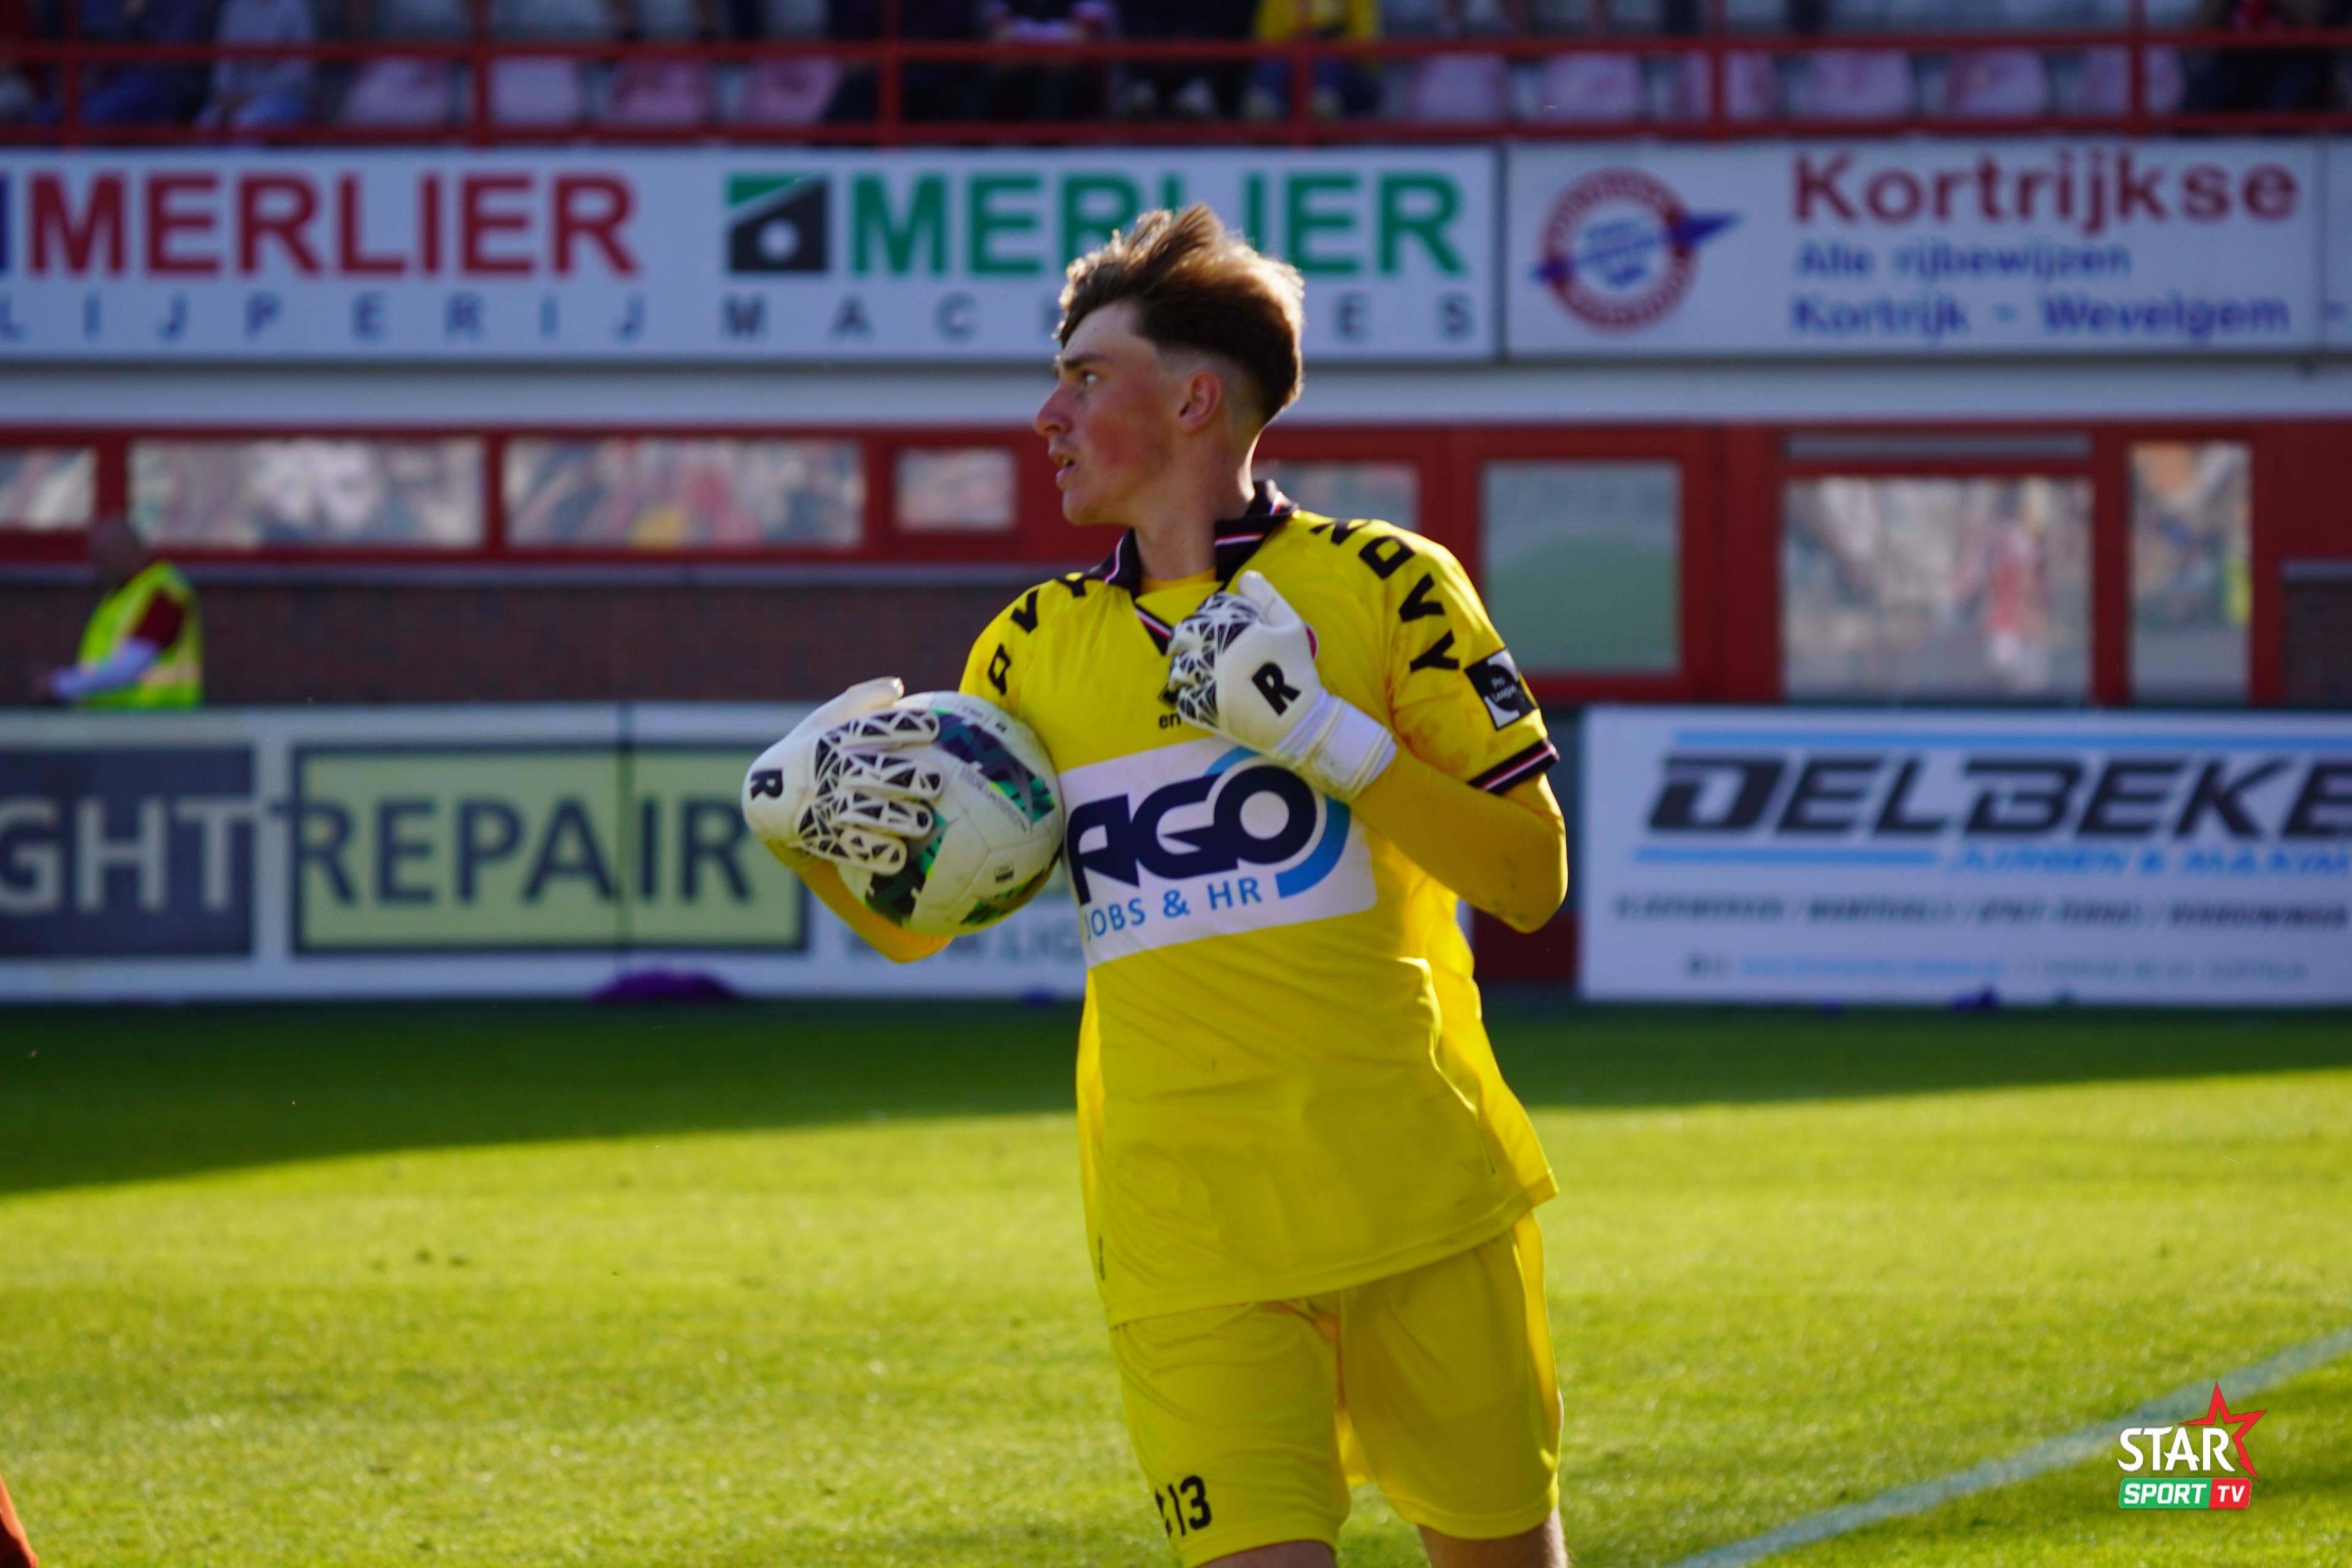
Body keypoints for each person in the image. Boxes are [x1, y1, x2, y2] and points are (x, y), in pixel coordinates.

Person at [745, 206, 1570, 1568]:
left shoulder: (1386, 585)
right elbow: (918, 931)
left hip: (1417, 1201)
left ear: (1195, 397)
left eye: (1084, 376)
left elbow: (1531, 877)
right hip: (1182, 1232)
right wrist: (808, 841)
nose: (1045, 415)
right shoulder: (1028, 645)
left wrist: (1324, 736)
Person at [32, 518, 205, 709]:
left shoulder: (164, 593)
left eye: (102, 557)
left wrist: (59, 684)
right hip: (118, 724)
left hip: (157, 725)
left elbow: (129, 667)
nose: (96, 568)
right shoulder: (120, 595)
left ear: (128, 553)